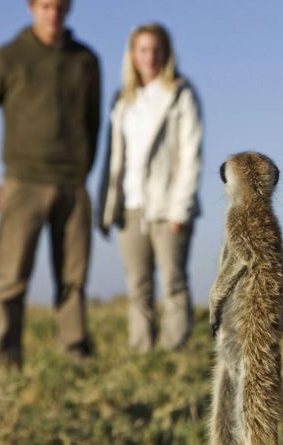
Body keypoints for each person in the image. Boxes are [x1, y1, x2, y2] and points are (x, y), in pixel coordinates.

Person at [0, 0, 101, 367]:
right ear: (31, 8)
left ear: (69, 9)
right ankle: (4, 355)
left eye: (59, 7)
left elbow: (93, 123)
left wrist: (83, 171)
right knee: (12, 277)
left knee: (74, 277)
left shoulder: (85, 60)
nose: (52, 14)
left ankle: (75, 353)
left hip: (72, 184)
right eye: (45, 7)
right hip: (23, 182)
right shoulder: (7, 58)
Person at [97, 23, 204, 352]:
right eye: (143, 49)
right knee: (138, 286)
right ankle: (142, 351)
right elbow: (116, 159)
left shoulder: (180, 94)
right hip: (131, 206)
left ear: (167, 53)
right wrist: (109, 206)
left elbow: (191, 153)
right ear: (132, 55)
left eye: (157, 49)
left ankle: (174, 351)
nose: (150, 57)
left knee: (173, 282)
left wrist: (180, 206)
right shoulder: (123, 100)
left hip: (169, 206)